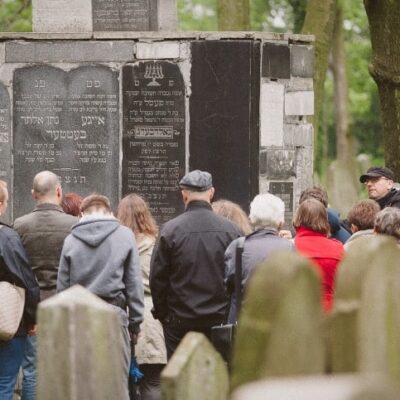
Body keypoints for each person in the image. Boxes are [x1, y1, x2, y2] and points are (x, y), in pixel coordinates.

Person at [57, 194, 144, 400]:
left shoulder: (71, 240)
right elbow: (134, 284)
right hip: (114, 317)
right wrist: (135, 322)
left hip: (80, 319)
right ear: (109, 210)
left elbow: (63, 287)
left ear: (81, 213)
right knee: (117, 385)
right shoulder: (125, 236)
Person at [150, 170, 242, 359]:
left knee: (180, 376)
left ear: (184, 195)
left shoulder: (170, 231)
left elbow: (158, 278)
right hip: (219, 321)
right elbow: (238, 277)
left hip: (180, 323)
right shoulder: (232, 231)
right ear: (211, 192)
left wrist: (164, 315)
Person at [13, 171, 77, 400]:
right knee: (66, 370)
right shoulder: (74, 225)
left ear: (33, 194)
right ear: (58, 192)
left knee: (32, 370)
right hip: (66, 308)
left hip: (32, 311)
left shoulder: (19, 226)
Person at [117, 194, 166, 400]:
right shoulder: (157, 246)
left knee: (123, 382)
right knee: (153, 381)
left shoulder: (117, 245)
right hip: (152, 316)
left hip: (122, 314)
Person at [224, 193, 294, 323]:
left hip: (243, 327)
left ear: (251, 218)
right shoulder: (289, 248)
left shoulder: (237, 246)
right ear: (280, 223)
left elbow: (228, 285)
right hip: (276, 325)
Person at [0, 181, 40, 400]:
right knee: (4, 383)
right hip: (7, 323)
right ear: (1, 204)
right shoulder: (7, 237)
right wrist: (33, 318)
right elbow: (26, 280)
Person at [293, 198, 344, 312]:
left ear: (298, 218)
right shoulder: (338, 248)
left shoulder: (290, 247)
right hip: (329, 311)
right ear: (324, 220)